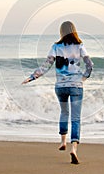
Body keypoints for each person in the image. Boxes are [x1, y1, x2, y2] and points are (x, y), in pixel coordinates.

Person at [22, 21, 93, 164]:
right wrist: (84, 77)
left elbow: (46, 65)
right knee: (75, 118)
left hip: (60, 87)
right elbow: (89, 64)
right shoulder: (80, 46)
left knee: (64, 112)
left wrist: (32, 77)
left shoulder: (55, 47)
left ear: (62, 32)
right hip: (76, 86)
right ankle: (74, 148)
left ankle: (62, 142)